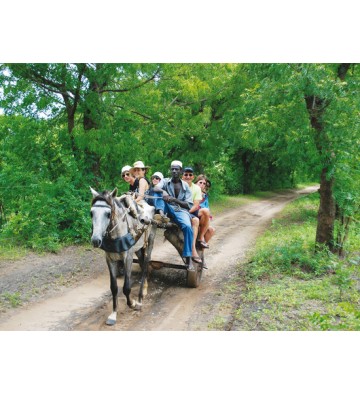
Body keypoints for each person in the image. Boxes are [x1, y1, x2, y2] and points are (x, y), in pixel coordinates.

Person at [153, 160, 200, 270]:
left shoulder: (185, 187)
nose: (174, 171)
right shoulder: (165, 181)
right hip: (166, 208)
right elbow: (155, 187)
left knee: (188, 227)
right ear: (170, 170)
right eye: (172, 169)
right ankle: (161, 215)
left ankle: (188, 259)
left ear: (180, 171)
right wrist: (164, 192)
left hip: (180, 210)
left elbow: (188, 205)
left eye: (176, 169)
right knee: (159, 194)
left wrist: (175, 200)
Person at [182, 166, 204, 262]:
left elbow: (195, 205)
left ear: (193, 177)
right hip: (177, 212)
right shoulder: (178, 185)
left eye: (190, 175)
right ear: (182, 176)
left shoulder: (196, 188)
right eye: (185, 174)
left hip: (189, 212)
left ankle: (193, 249)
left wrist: (185, 212)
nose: (188, 176)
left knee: (195, 220)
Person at [195, 175, 215, 246]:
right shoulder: (191, 191)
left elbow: (207, 207)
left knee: (211, 230)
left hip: (203, 219)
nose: (202, 185)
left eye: (204, 183)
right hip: (194, 216)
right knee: (205, 211)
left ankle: (201, 251)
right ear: (196, 183)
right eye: (200, 182)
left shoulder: (205, 196)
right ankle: (201, 238)